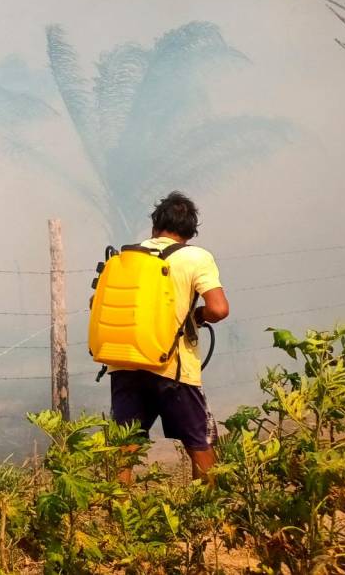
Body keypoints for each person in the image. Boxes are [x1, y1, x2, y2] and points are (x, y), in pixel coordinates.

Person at [110, 191, 230, 481]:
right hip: (173, 367)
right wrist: (199, 316)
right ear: (190, 231)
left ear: (155, 226)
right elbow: (219, 308)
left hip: (124, 362)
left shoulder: (127, 257)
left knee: (123, 449)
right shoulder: (196, 257)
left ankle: (117, 518)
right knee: (200, 443)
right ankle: (207, 514)